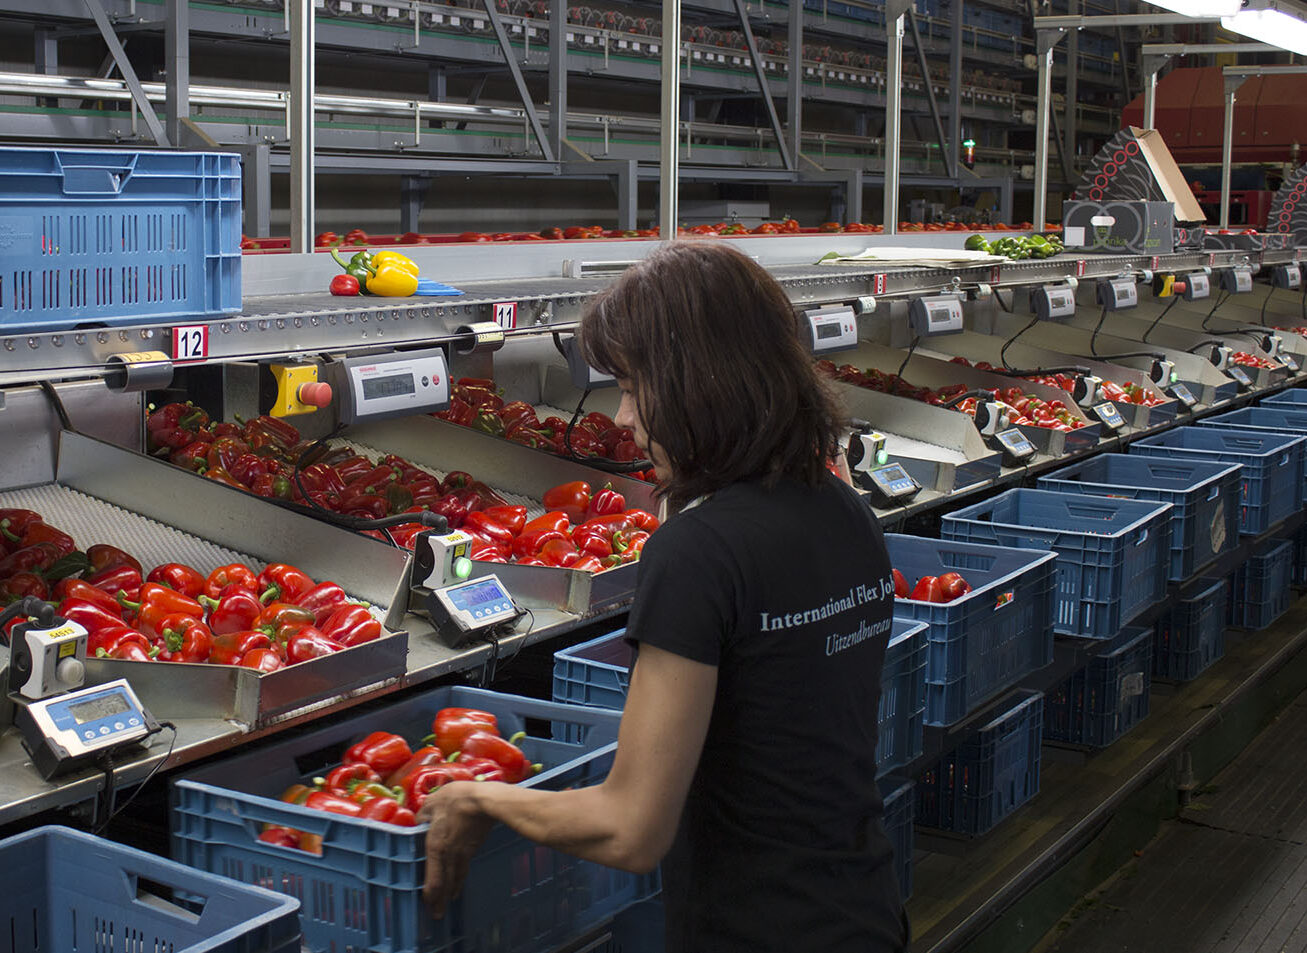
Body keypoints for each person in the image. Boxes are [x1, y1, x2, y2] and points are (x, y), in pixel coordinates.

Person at [419, 241, 907, 953]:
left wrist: (478, 797)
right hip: (861, 909)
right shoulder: (844, 509)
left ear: (694, 383)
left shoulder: (697, 552)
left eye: (632, 383)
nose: (621, 415)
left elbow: (631, 827)